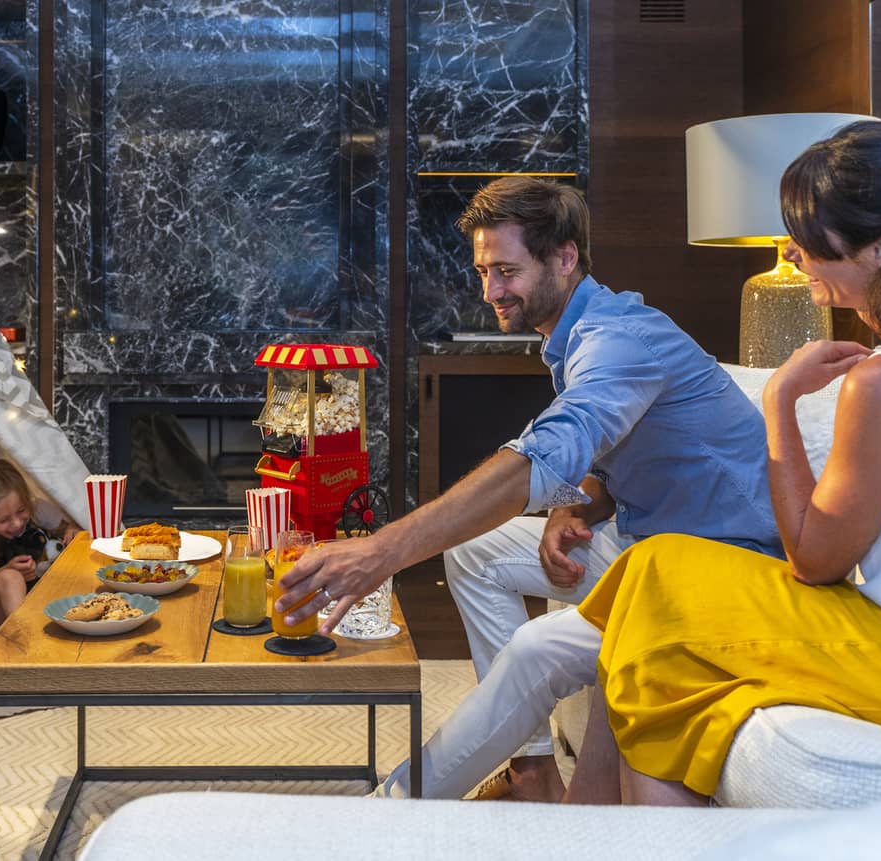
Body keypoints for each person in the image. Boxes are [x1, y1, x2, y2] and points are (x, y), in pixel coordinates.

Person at [572, 120, 881, 805]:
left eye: (811, 238)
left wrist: (781, 400)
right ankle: (590, 827)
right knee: (657, 581)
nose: (792, 253)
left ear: (879, 250)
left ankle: (589, 825)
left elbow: (815, 561)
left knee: (656, 583)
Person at [275, 176, 782, 800]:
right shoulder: (581, 332)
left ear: (565, 257)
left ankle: (393, 810)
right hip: (651, 550)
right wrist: (582, 500)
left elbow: (545, 450)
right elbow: (631, 449)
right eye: (483, 271)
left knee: (538, 651)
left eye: (507, 271)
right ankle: (533, 770)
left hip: (729, 569)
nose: (491, 291)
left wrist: (380, 552)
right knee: (475, 550)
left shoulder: (619, 340)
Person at [0, 458, 82, 632]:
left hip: (42, 607)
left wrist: (73, 531)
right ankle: (29, 640)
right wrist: (2, 572)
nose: (17, 524)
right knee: (9, 578)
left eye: (21, 511)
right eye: (3, 520)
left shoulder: (38, 510)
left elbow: (71, 530)